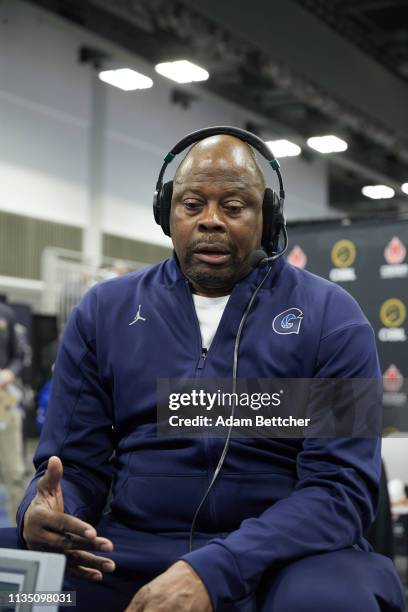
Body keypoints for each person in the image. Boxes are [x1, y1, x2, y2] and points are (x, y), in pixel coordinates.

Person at [0, 127, 405, 612]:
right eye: (192, 205)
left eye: (234, 207)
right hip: (124, 557)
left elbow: (340, 490)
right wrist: (47, 511)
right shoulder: (104, 312)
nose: (210, 221)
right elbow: (74, 463)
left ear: (268, 217)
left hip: (282, 562)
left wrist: (215, 569)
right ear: (166, 212)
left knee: (331, 601)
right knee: (19, 587)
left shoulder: (332, 319)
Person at [0, 299, 26, 524]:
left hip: (4, 400)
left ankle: (21, 534)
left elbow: (19, 355)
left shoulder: (5, 313)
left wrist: (9, 372)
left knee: (14, 472)